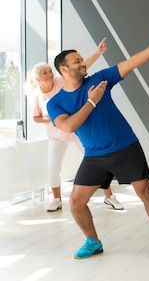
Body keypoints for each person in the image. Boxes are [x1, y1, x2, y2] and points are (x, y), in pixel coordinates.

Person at [47, 23, 149, 260]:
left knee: (147, 194)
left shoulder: (99, 79)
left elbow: (131, 63)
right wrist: (92, 102)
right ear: (64, 69)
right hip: (94, 155)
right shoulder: (55, 102)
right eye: (77, 61)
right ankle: (93, 241)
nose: (83, 63)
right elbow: (69, 126)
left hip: (125, 147)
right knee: (76, 202)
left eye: (82, 59)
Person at [27, 38, 123, 212]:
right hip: (56, 136)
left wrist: (98, 53)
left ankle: (109, 197)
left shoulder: (61, 81)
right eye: (45, 73)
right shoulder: (36, 95)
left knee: (99, 161)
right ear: (37, 79)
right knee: (53, 168)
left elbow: (81, 67)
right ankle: (56, 199)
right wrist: (53, 119)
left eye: (50, 71)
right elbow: (36, 117)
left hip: (77, 132)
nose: (49, 75)